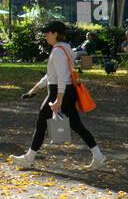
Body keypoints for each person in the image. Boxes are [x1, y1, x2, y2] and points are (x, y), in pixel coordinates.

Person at [12, 20, 106, 169]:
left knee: (41, 122)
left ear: (55, 33)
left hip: (59, 92)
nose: (45, 36)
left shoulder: (57, 51)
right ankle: (98, 156)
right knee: (76, 125)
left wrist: (58, 100)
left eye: (47, 33)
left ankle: (29, 158)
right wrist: (34, 90)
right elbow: (52, 75)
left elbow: (61, 77)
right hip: (67, 92)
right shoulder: (66, 49)